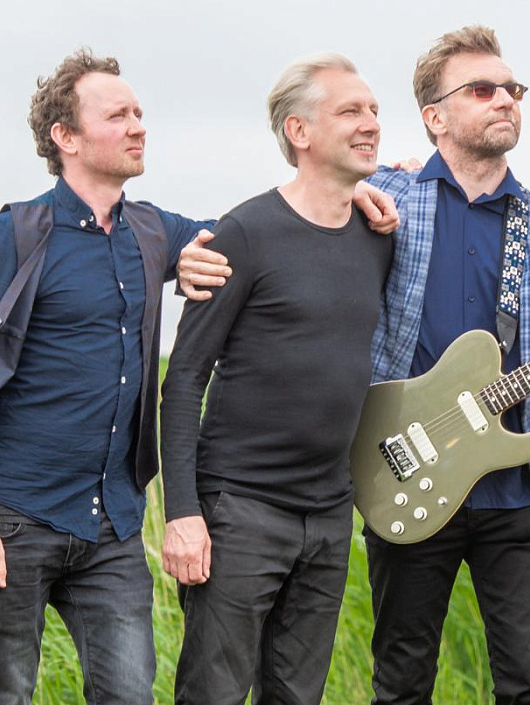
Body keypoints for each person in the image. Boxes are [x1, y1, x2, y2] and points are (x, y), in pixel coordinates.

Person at [0, 49, 394, 705]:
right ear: (66, 137)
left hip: (111, 525)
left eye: (140, 112)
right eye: (118, 115)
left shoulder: (153, 233)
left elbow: (274, 229)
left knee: (129, 693)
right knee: (4, 694)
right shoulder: (15, 235)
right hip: (16, 516)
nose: (138, 125)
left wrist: (357, 189)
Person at [362, 25, 530, 705]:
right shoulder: (382, 197)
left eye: (512, 89)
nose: (506, 99)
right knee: (400, 685)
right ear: (435, 117)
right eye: (482, 90)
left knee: (529, 688)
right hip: (407, 468)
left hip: (519, 488)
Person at [158, 53, 394, 705]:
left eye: (375, 110)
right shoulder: (244, 234)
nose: (371, 122)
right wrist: (183, 513)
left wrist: (382, 187)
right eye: (351, 111)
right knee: (213, 694)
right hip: (241, 511)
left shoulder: (376, 234)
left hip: (329, 513)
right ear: (300, 130)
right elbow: (184, 379)